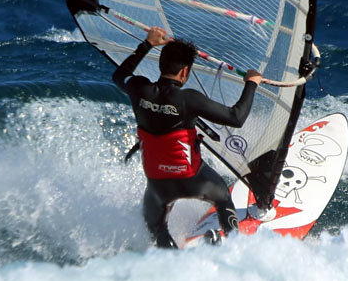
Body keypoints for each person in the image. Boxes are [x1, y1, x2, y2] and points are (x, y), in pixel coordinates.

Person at [112, 26, 262, 248]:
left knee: (155, 225)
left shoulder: (139, 88)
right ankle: (234, 247)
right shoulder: (188, 99)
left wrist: (147, 44)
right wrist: (252, 83)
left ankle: (174, 261)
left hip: (157, 184)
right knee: (221, 196)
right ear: (184, 72)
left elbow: (119, 76)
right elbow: (236, 117)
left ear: (161, 65)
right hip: (192, 178)